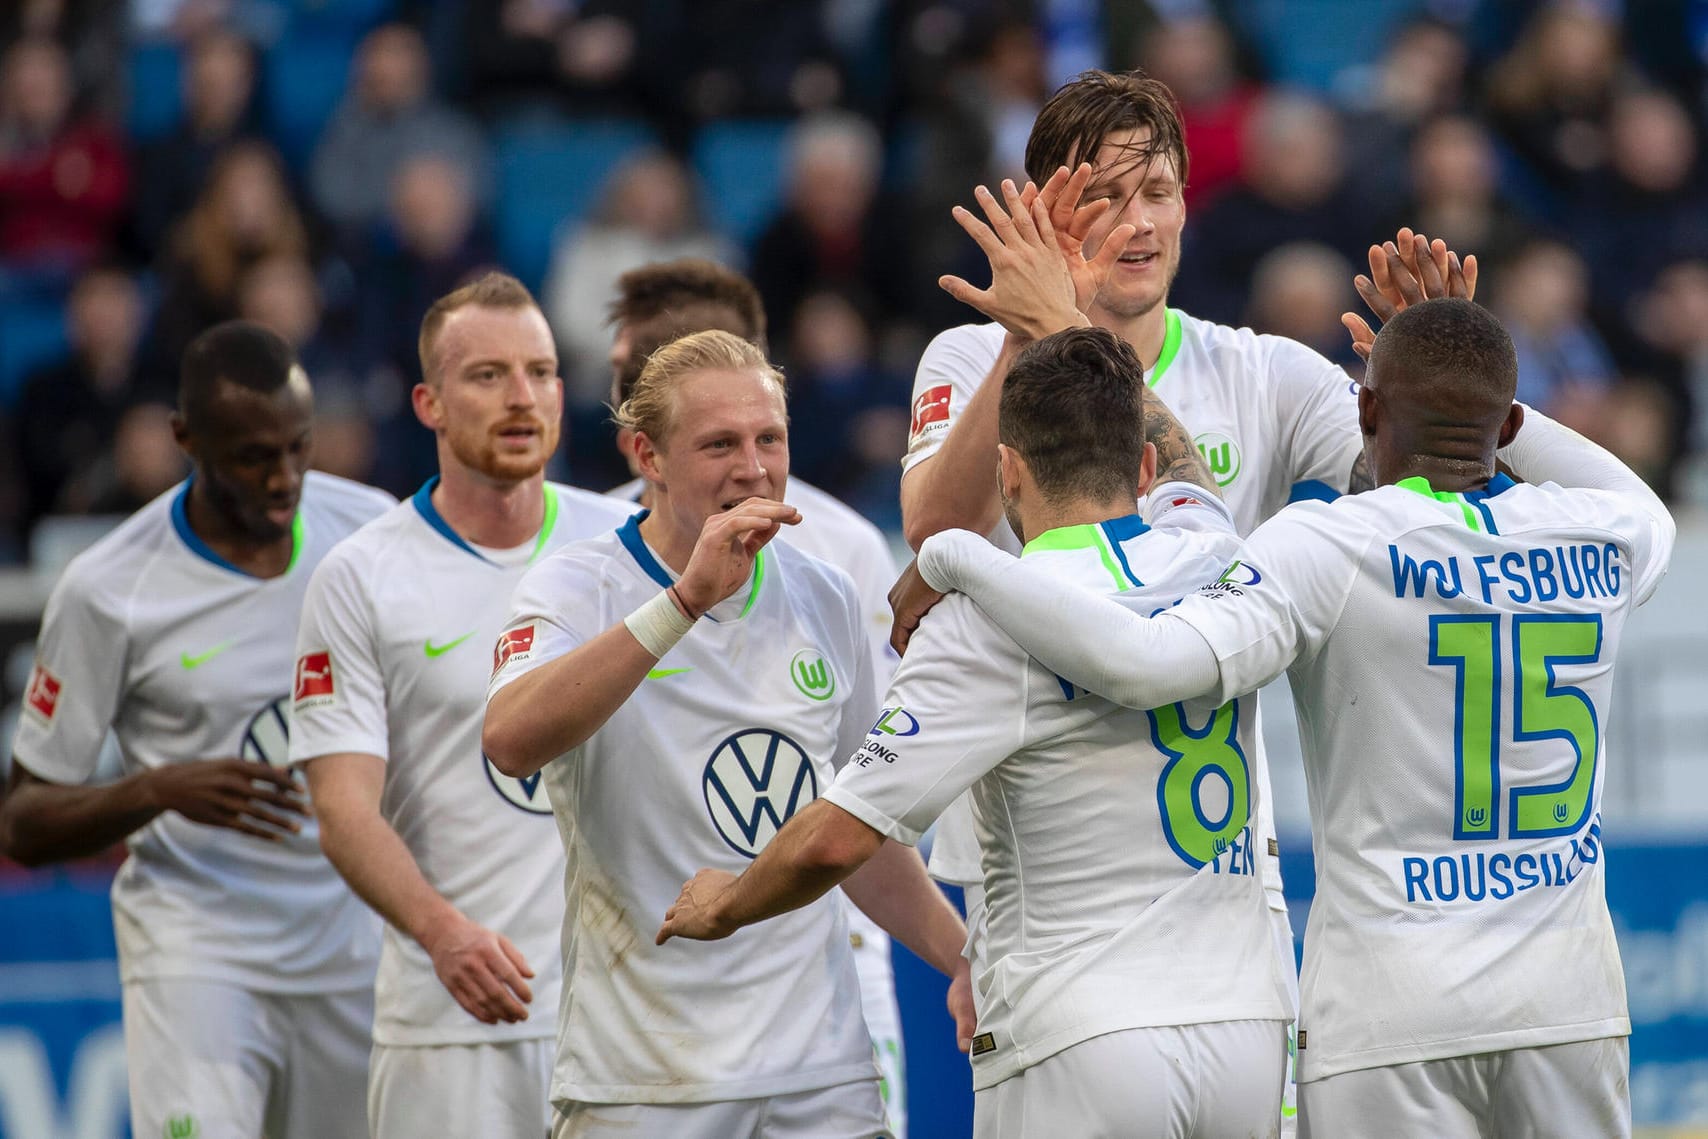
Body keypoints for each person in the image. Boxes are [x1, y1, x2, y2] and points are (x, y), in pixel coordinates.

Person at [906, 298, 1674, 1138]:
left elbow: (1146, 661)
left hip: (1391, 1014)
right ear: (1514, 420)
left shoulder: (1328, 545)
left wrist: (962, 561)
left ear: (1367, 410)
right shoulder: (1604, 532)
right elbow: (1639, 498)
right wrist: (1495, 407)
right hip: (1569, 1004)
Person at [901, 68, 1472, 1123]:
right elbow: (938, 533)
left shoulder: (1263, 375)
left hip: (1213, 852)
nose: (1139, 221)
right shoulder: (971, 350)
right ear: (1040, 209)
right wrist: (1035, 336)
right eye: (1103, 196)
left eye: (1157, 190)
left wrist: (1447, 380)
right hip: (1040, 859)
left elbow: (1431, 516)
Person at [659, 326, 1294, 1138]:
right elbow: (1190, 476)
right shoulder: (1218, 556)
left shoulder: (987, 621)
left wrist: (728, 902)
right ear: (1142, 468)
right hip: (1248, 1031)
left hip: (1082, 1033)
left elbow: (838, 836)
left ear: (1008, 471)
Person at [482, 330, 970, 1138]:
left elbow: (861, 828)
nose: (752, 467)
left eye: (768, 438)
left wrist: (964, 960)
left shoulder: (826, 594)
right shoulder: (575, 585)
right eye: (719, 444)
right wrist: (684, 601)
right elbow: (510, 739)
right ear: (649, 454)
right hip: (642, 1078)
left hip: (820, 1071)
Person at [0, 321, 394, 1139]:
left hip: (353, 941)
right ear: (185, 438)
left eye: (298, 447)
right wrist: (158, 788)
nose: (284, 479)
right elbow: (24, 822)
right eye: (253, 456)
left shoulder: (371, 534)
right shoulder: (109, 588)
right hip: (199, 947)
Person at [288, 273, 633, 1137]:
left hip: (631, 1017)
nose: (522, 397)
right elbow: (341, 808)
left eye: (542, 371)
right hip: (453, 1022)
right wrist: (442, 933)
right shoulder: (363, 576)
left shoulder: (628, 550)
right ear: (428, 402)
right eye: (486, 375)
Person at [603, 259, 914, 1128]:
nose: (629, 386)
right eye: (632, 371)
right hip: (643, 1016)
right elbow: (515, 747)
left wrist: (957, 954)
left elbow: (868, 787)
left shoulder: (839, 553)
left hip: (825, 990)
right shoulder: (586, 556)